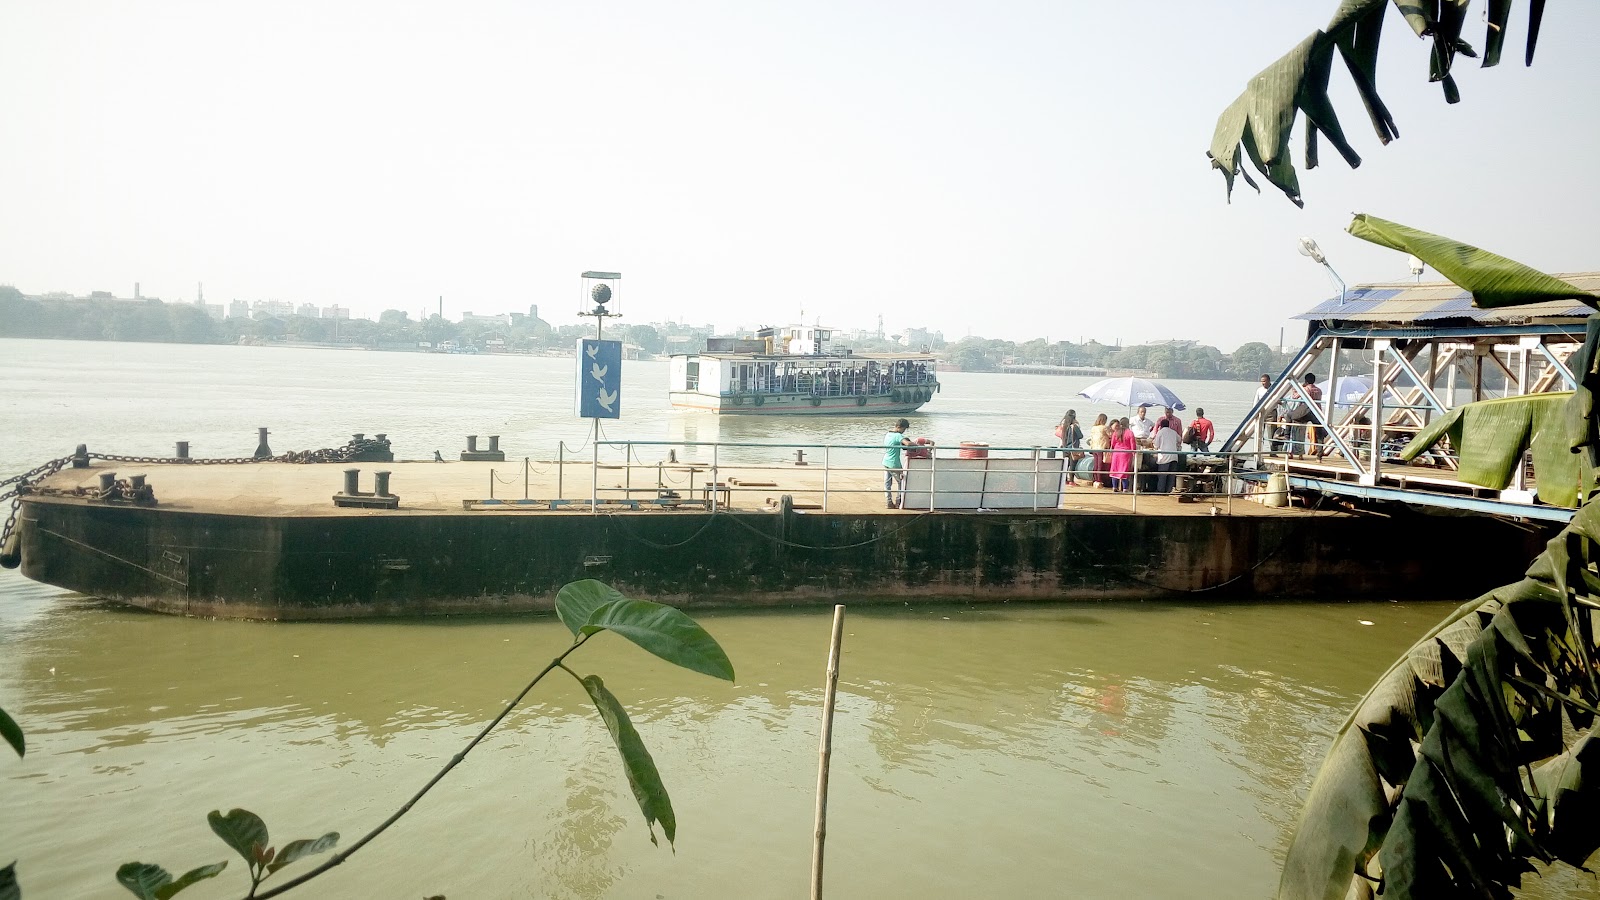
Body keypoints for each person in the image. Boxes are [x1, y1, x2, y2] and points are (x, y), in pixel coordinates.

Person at [882, 418, 913, 508]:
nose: (903, 432)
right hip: (894, 463)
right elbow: (907, 444)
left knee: (887, 483)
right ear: (899, 427)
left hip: (886, 460)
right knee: (901, 482)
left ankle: (889, 502)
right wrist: (916, 444)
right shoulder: (898, 435)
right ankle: (899, 500)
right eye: (904, 429)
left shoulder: (888, 434)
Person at [1152, 419, 1182, 493]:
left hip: (1164, 457)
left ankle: (1160, 491)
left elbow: (1156, 445)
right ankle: (1169, 490)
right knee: (1171, 476)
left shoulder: (1160, 432)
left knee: (1162, 475)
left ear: (1161, 426)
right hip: (1174, 457)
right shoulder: (1173, 432)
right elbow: (1180, 439)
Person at [1056, 410, 1084, 486]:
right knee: (1072, 464)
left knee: (1065, 464)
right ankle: (1071, 481)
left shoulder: (1063, 425)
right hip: (1073, 447)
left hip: (1064, 447)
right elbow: (1081, 436)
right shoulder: (1074, 426)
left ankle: (1064, 480)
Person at [1109, 418, 1137, 492]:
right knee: (1124, 471)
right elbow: (1133, 445)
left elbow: (1113, 444)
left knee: (1115, 470)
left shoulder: (1116, 432)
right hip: (1126, 454)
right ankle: (1125, 488)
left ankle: (1114, 487)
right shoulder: (1130, 433)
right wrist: (1134, 454)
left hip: (1116, 453)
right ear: (1127, 424)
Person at [1087, 413, 1111, 488]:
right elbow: (1110, 435)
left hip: (1094, 447)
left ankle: (1095, 479)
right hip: (1102, 447)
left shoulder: (1094, 428)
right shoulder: (1104, 427)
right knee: (1100, 464)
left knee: (1096, 464)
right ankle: (1099, 480)